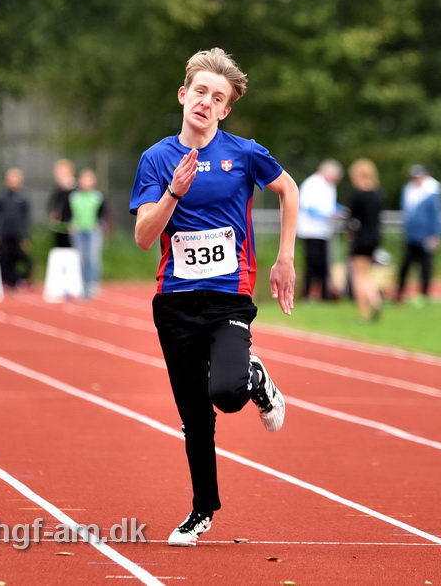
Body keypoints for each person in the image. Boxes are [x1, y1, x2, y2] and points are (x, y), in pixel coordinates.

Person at [130, 48, 298, 547]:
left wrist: (284, 257)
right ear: (183, 96)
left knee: (226, 393)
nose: (206, 101)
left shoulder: (244, 153)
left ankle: (253, 376)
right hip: (175, 302)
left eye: (217, 97)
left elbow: (289, 190)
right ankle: (202, 510)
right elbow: (143, 237)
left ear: (226, 110)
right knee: (193, 416)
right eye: (199, 91)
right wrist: (173, 193)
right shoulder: (157, 159)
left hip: (228, 296)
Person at [395, 164, 441, 305]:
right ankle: (399, 293)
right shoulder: (408, 190)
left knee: (425, 266)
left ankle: (424, 294)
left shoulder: (432, 192)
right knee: (405, 265)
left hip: (426, 236)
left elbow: (436, 215)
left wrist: (436, 235)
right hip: (410, 235)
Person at [297, 159, 342, 301]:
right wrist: (327, 214)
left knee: (323, 264)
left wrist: (340, 210)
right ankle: (307, 294)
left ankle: (324, 294)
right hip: (310, 230)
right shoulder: (311, 183)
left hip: (324, 231)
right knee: (311, 263)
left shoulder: (330, 186)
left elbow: (329, 205)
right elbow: (307, 206)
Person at [346, 159, 384, 323]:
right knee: (366, 273)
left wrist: (350, 233)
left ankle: (365, 311)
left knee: (358, 276)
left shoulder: (358, 196)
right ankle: (376, 300)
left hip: (361, 238)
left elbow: (351, 220)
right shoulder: (379, 194)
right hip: (375, 237)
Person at [69, 169, 108, 298]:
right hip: (78, 230)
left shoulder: (98, 196)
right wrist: (70, 223)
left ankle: (93, 284)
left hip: (93, 231)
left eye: (89, 179)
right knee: (81, 259)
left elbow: (103, 212)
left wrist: (101, 224)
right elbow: (67, 211)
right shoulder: (74, 196)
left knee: (93, 258)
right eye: (84, 179)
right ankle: (82, 284)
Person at [0, 167, 32, 287]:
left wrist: (25, 236)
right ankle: (8, 281)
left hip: (18, 235)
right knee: (5, 258)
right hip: (4, 234)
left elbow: (26, 218)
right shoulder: (1, 197)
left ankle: (19, 279)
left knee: (23, 259)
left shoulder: (23, 198)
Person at [48, 158, 75, 247]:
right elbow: (52, 206)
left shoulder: (76, 191)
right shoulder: (57, 191)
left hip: (72, 228)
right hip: (59, 227)